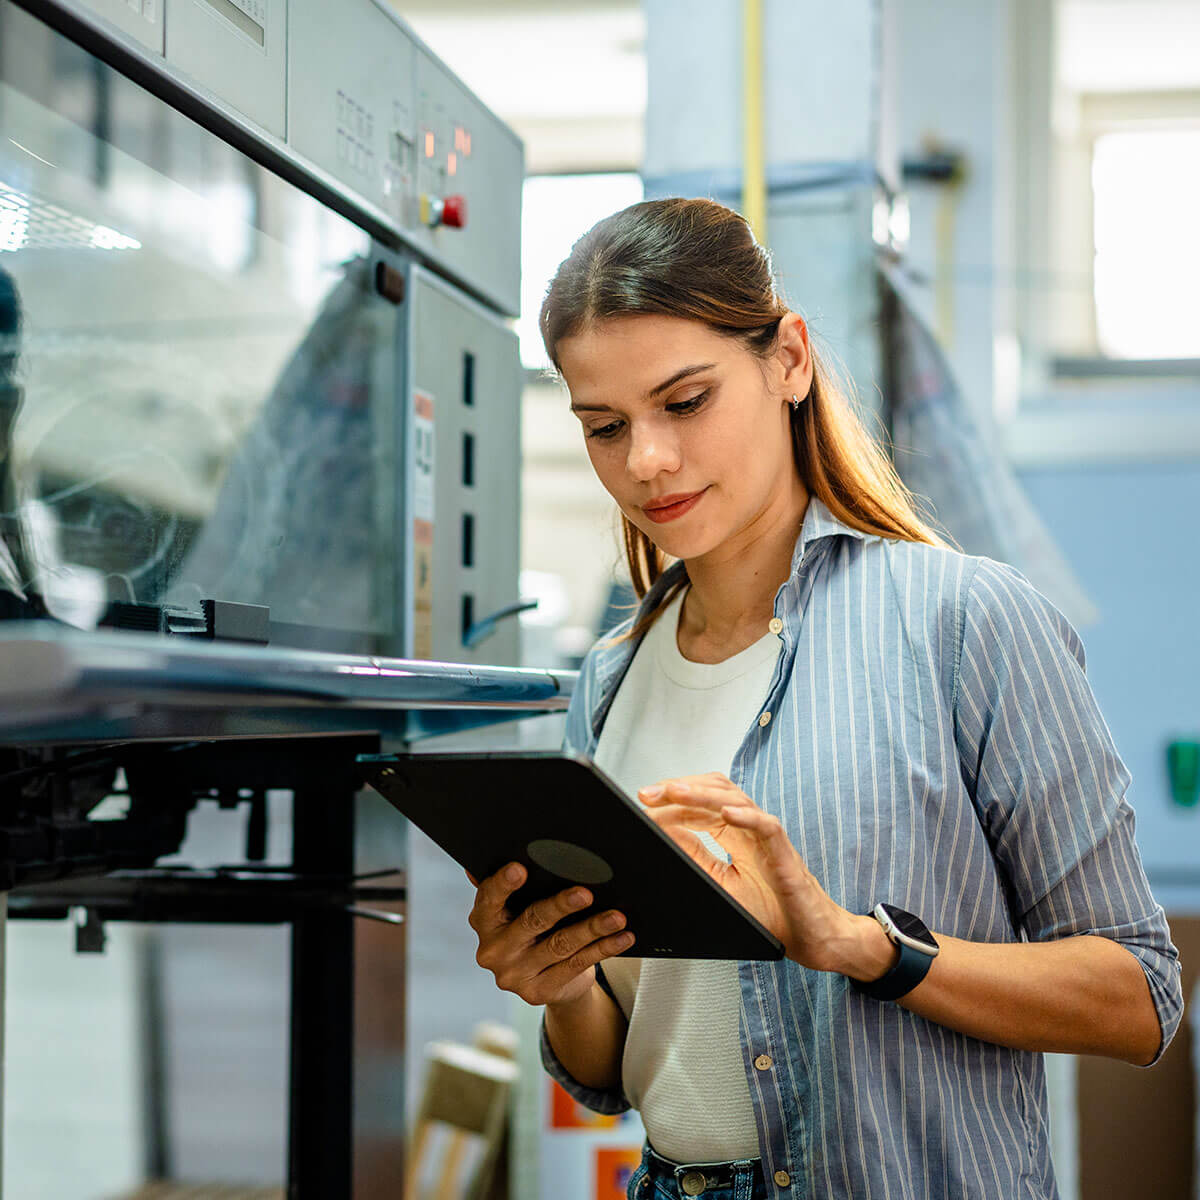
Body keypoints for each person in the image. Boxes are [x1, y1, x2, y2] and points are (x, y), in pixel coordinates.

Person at [465, 197, 1182, 1200]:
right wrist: (563, 979)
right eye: (604, 426)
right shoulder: (609, 681)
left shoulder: (965, 621)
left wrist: (861, 946)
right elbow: (612, 1077)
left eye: (686, 401)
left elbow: (1141, 997)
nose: (647, 461)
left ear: (788, 360)